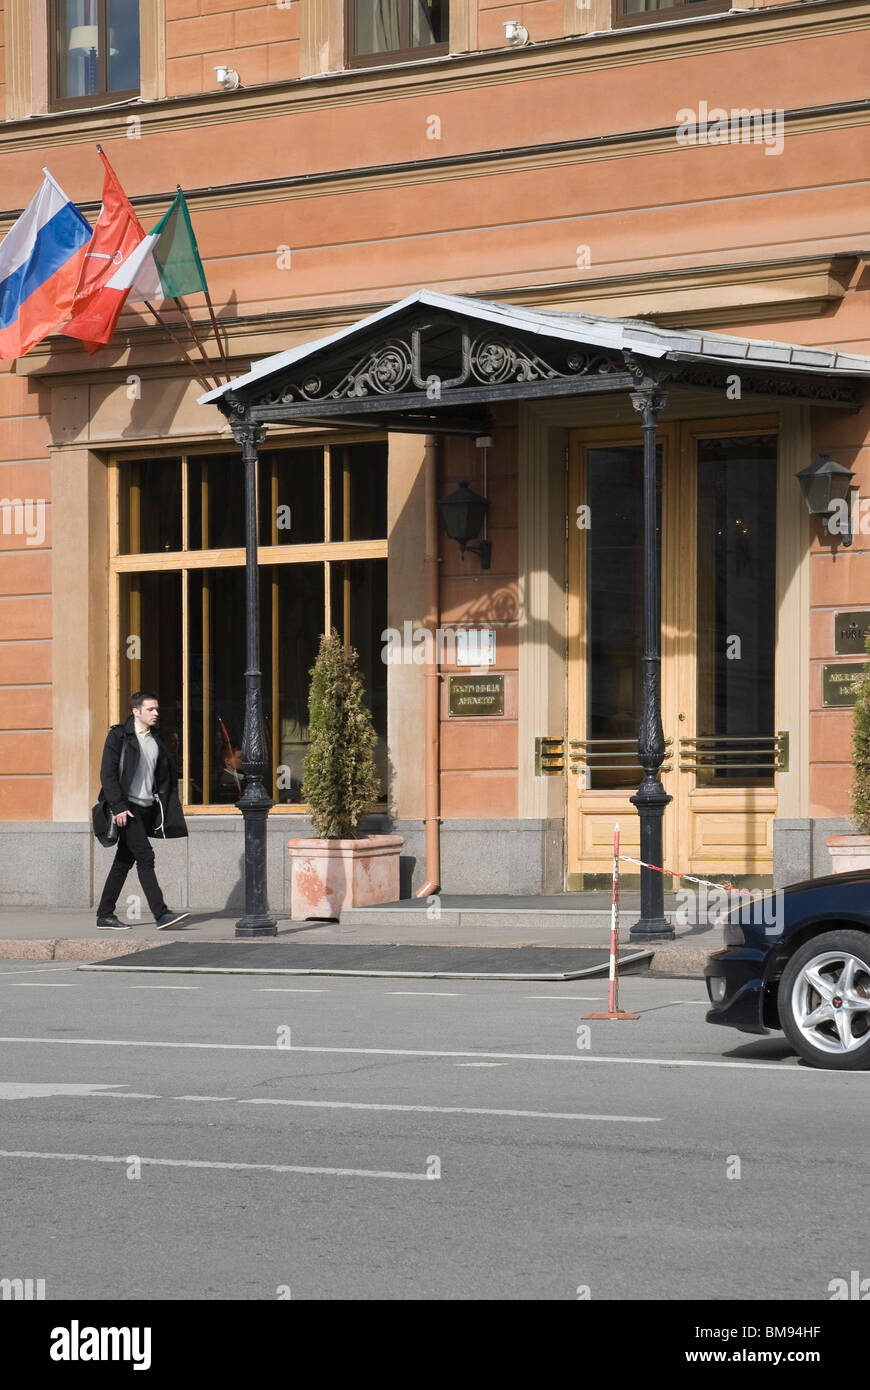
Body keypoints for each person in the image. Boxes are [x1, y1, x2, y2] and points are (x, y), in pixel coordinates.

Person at [95, 691, 190, 931]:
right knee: (145, 857)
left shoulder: (156, 739)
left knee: (123, 860)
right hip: (127, 809)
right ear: (136, 711)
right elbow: (107, 774)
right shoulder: (119, 736)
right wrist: (118, 806)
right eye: (150, 709)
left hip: (146, 808)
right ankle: (161, 913)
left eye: (157, 709)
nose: (156, 713)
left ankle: (105, 915)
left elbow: (161, 777)